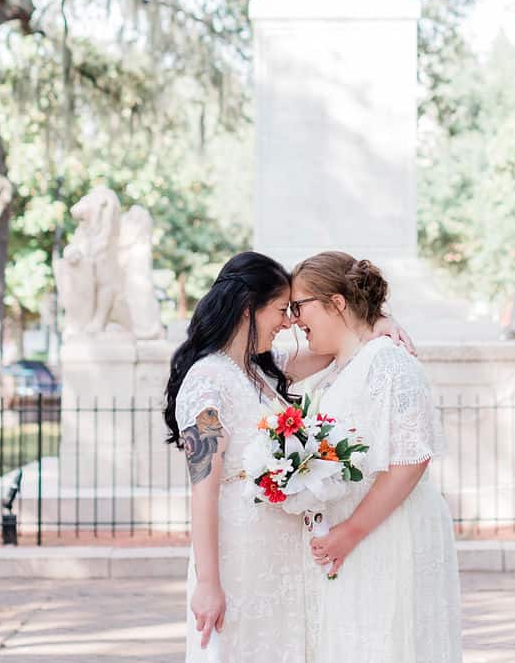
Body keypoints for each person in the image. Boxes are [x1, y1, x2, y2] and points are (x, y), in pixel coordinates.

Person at [163, 252, 415, 662]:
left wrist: (377, 322)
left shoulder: (258, 371)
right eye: (281, 310)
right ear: (248, 310)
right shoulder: (207, 380)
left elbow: (337, 344)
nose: (288, 322)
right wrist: (208, 583)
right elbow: (203, 491)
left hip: (282, 558)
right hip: (239, 555)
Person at [291, 251, 462, 663]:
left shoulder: (389, 363)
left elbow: (412, 458)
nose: (294, 319)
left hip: (386, 532)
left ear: (336, 303)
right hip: (351, 537)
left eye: (300, 306)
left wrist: (350, 531)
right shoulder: (339, 367)